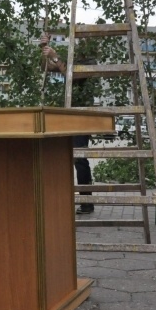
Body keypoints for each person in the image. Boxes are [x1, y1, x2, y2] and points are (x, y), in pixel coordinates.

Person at [41, 33, 99, 214]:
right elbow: (46, 67)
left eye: (82, 44)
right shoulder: (75, 62)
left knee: (80, 159)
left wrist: (55, 55)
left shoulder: (90, 64)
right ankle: (71, 199)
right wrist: (43, 47)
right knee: (69, 158)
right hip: (70, 115)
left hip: (81, 117)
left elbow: (70, 74)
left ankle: (86, 202)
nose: (79, 47)